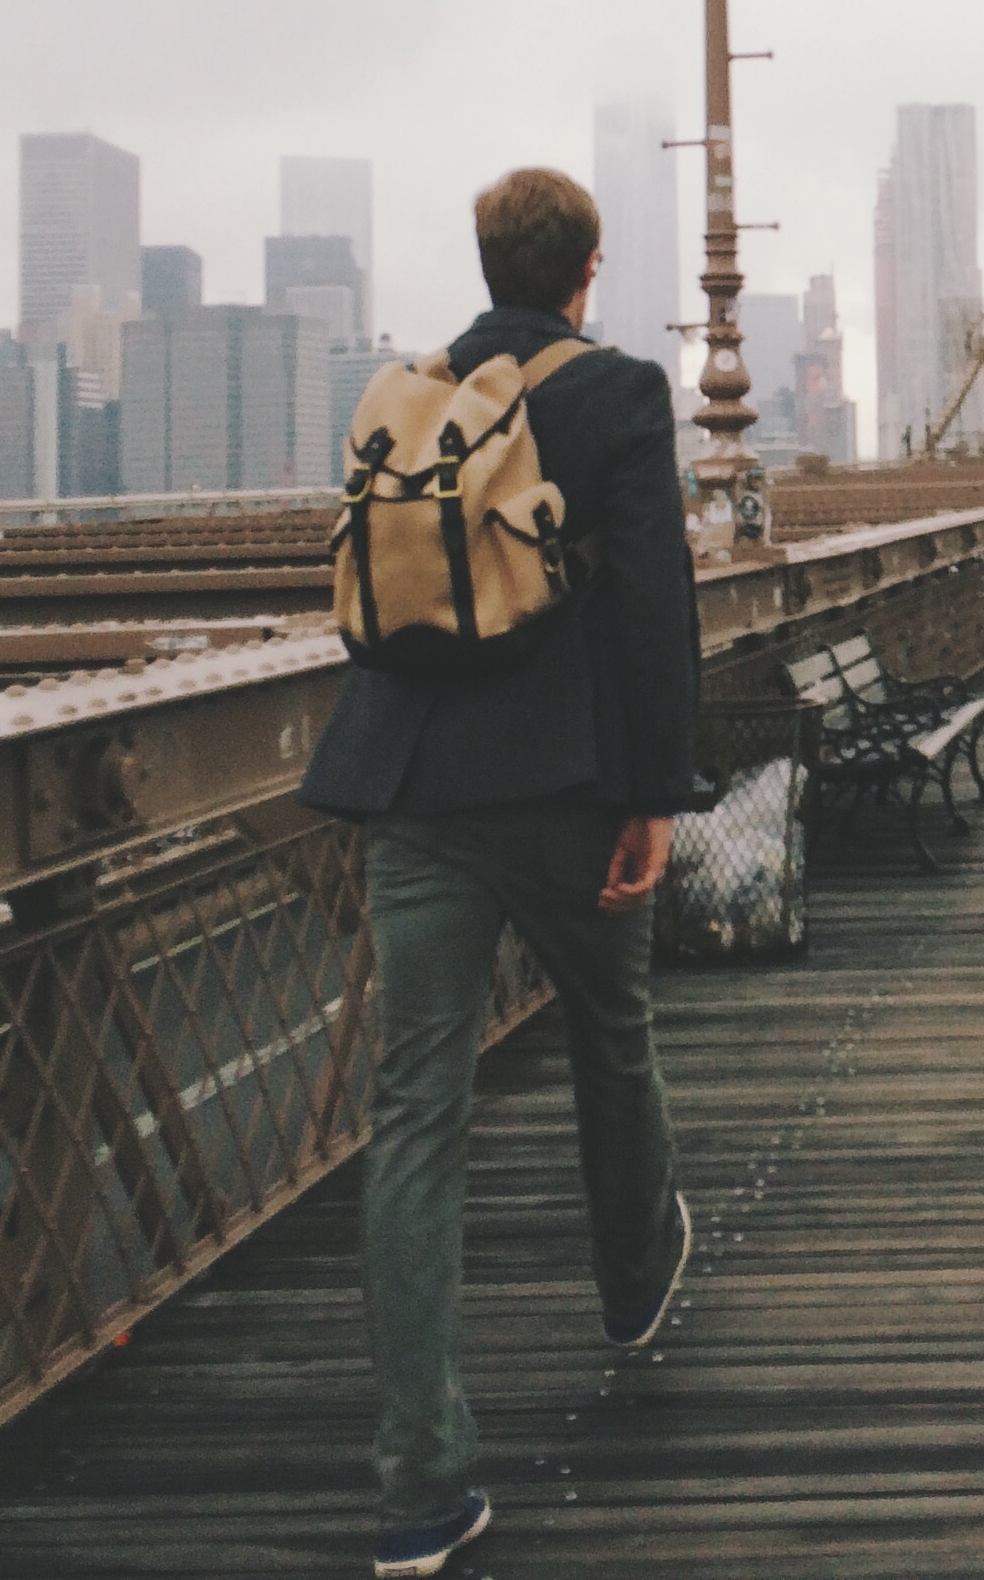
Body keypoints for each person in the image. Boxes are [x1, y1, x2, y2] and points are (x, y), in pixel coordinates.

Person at [303, 167, 703, 1580]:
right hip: (568, 783)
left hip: (409, 783)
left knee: (416, 1118)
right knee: (612, 1030)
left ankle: (418, 1487)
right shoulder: (617, 395)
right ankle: (633, 1282)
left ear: (485, 264)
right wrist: (659, 795)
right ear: (590, 263)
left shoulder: (415, 390)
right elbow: (653, 603)